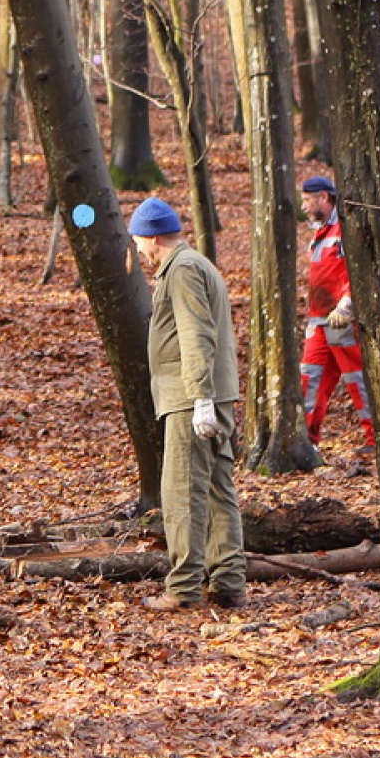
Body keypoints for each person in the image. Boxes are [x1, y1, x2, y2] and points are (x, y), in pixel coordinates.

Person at [128, 198, 246, 611]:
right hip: (211, 394)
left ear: (154, 236)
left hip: (190, 398)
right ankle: (229, 582)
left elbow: (197, 335)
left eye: (139, 241)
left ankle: (183, 589)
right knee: (217, 489)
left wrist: (199, 398)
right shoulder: (196, 264)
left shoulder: (181, 270)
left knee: (182, 492)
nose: (139, 251)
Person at [299, 176, 374, 451]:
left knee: (357, 379)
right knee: (310, 378)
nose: (304, 206)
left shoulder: (344, 231)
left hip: (342, 321)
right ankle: (307, 440)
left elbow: (359, 272)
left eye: (308, 200)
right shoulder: (319, 235)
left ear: (323, 198)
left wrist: (347, 306)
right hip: (319, 321)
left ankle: (375, 440)